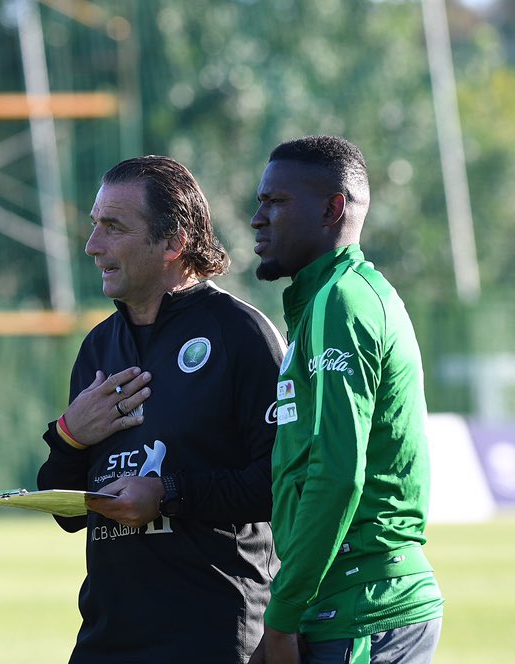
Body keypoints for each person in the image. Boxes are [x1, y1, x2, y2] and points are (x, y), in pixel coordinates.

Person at [37, 155, 284, 663]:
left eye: (113, 227)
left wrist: (169, 493)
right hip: (108, 637)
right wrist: (68, 436)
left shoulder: (241, 335)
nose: (92, 246)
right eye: (94, 226)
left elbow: (281, 484)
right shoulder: (98, 348)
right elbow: (67, 513)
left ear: (173, 242)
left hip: (212, 635)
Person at [247, 135, 444, 664]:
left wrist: (282, 614)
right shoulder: (325, 301)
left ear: (333, 208)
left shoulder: (342, 303)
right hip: (341, 601)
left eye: (276, 202)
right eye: (261, 201)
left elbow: (339, 473)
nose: (257, 218)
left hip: (362, 608)